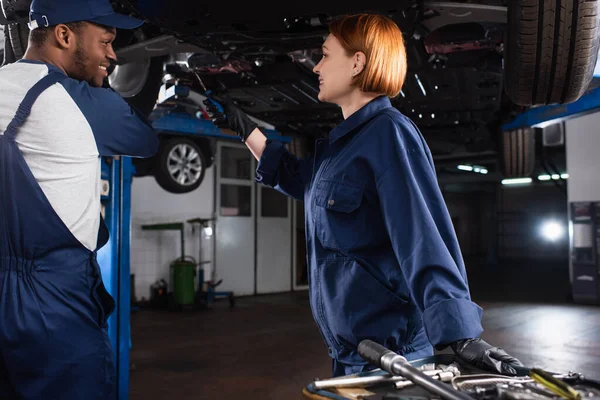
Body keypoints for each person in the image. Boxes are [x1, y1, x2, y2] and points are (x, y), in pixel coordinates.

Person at [214, 13, 524, 377]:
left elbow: (422, 234)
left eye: (326, 55)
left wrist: (460, 336)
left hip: (395, 357)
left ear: (357, 61)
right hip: (353, 354)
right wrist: (244, 127)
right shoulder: (338, 149)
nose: (317, 67)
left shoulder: (389, 134)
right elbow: (297, 179)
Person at [0, 0, 159, 398]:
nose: (112, 54)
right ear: (64, 35)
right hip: (51, 301)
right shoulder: (82, 102)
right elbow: (144, 138)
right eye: (105, 41)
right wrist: (126, 75)